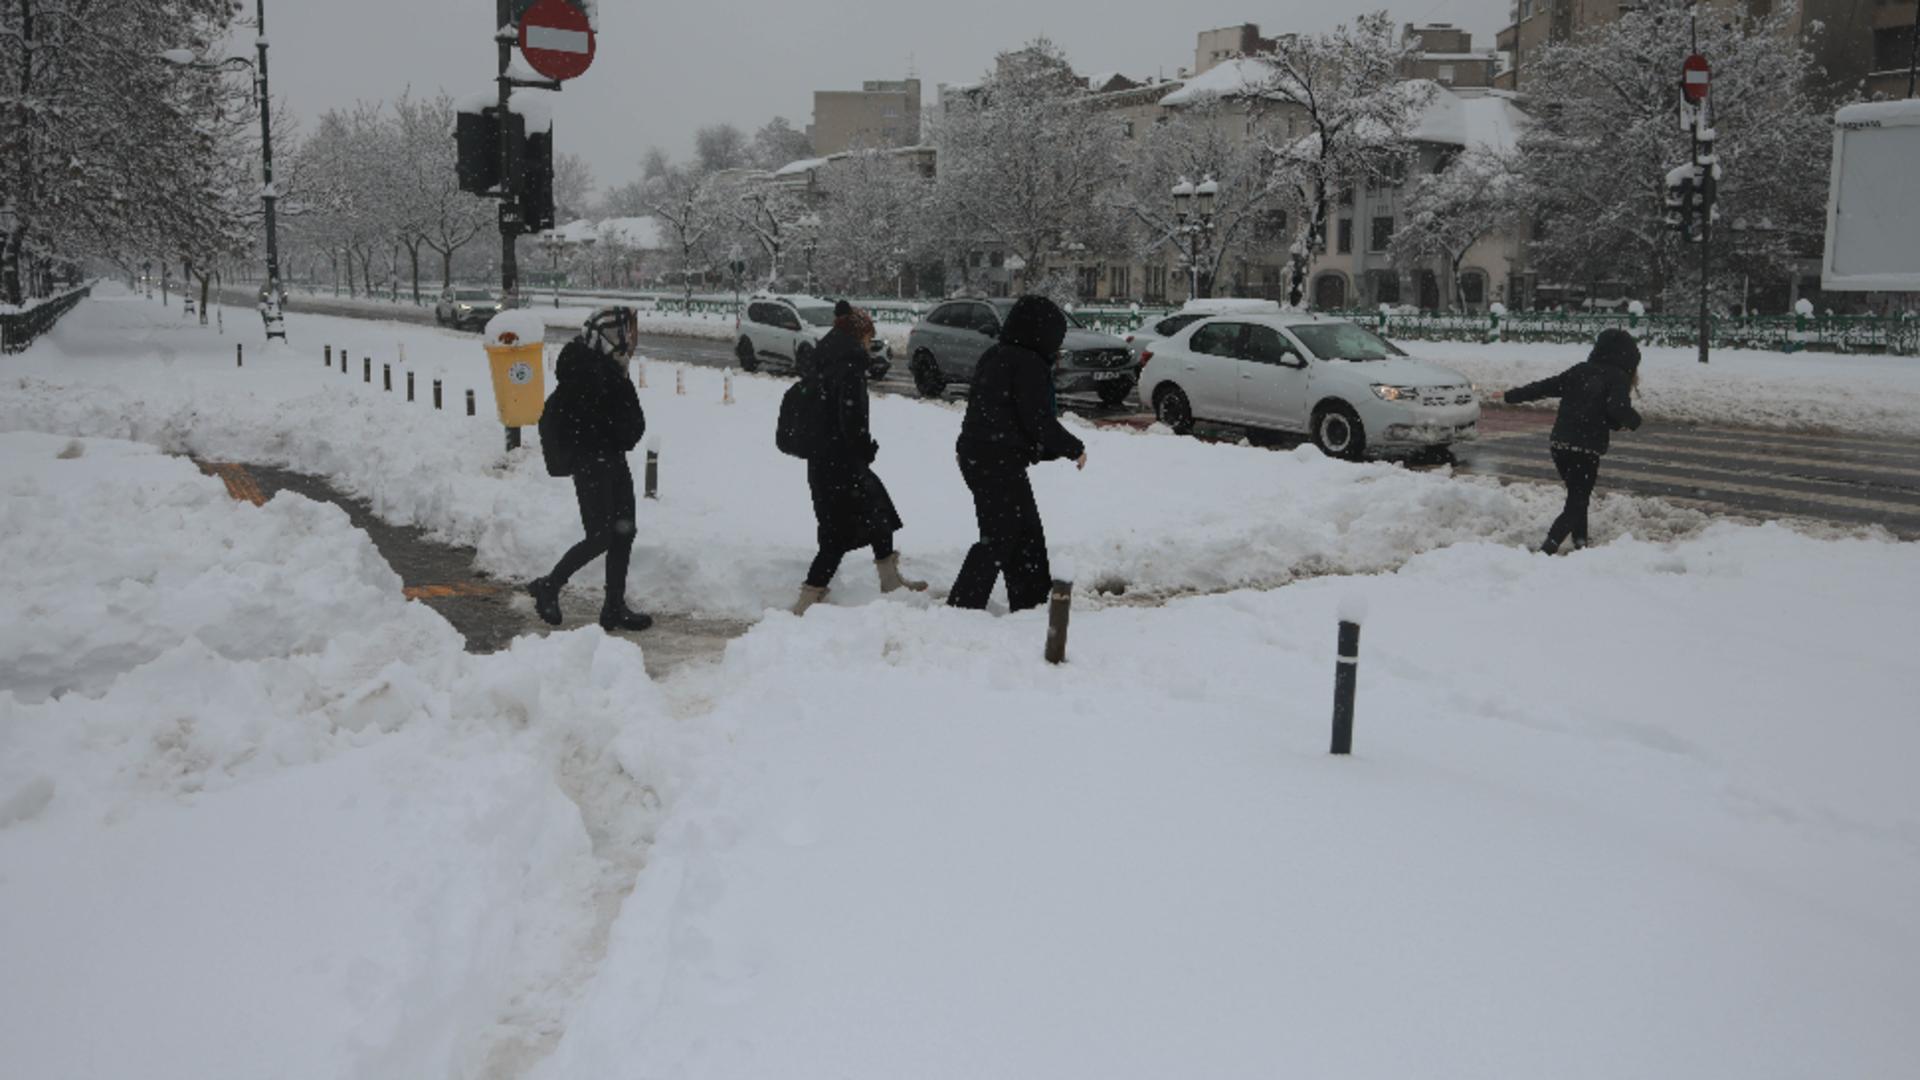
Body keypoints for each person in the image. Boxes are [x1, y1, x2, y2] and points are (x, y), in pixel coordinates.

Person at [948, 294, 1087, 612]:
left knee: (1024, 533)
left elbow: (1002, 415)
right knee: (1001, 535)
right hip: (996, 461)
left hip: (980, 455)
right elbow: (1037, 420)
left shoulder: (997, 354)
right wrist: (1072, 448)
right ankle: (962, 608)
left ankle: (1032, 604)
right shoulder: (1028, 363)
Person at [791, 301, 928, 615]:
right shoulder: (849, 364)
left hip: (824, 459)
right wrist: (863, 448)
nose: (870, 342)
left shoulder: (823, 357)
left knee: (878, 512)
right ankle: (807, 600)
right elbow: (851, 416)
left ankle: (890, 579)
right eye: (869, 336)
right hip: (842, 461)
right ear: (859, 335)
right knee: (837, 534)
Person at [527, 307, 654, 631]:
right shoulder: (585, 370)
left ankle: (614, 606)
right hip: (592, 463)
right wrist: (613, 431)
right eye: (626, 332)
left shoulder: (612, 367)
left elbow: (631, 423)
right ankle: (549, 585)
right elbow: (602, 422)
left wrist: (620, 429)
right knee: (600, 536)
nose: (631, 338)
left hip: (613, 460)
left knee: (625, 532)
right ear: (611, 335)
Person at [1502, 327, 1643, 554]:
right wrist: (1635, 421)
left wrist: (1512, 396)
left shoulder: (1580, 370)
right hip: (1586, 448)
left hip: (1560, 445)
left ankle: (1580, 541)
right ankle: (1549, 547)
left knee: (1578, 495)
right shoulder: (1617, 377)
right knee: (1577, 500)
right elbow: (1617, 410)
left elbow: (1545, 387)